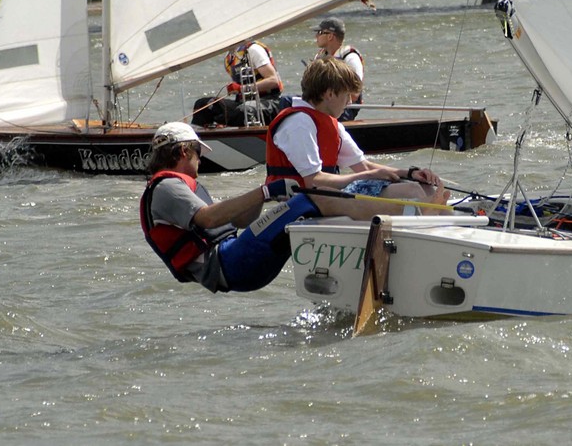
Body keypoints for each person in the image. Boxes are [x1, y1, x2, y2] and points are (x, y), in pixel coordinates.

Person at [140, 121, 446, 293]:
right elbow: (208, 219)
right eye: (197, 152)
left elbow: (243, 220)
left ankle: (370, 253)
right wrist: (264, 190)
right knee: (310, 198)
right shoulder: (167, 187)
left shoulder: (178, 186)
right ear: (183, 150)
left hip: (238, 258)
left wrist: (270, 198)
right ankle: (414, 213)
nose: (200, 159)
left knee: (305, 207)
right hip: (231, 264)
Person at [265, 57, 445, 206]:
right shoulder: (299, 123)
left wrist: (410, 173)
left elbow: (364, 166)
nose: (349, 103)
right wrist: (368, 176)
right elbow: (313, 181)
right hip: (295, 203)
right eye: (346, 96)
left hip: (326, 197)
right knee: (412, 190)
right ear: (329, 94)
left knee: (423, 187)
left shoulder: (332, 124)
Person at [191, 40, 283, 127]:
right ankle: (198, 138)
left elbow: (273, 81)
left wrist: (241, 88)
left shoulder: (254, 50)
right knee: (203, 105)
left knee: (244, 111)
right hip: (243, 103)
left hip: (269, 101)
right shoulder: (229, 58)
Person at [312, 17, 364, 121]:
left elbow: (354, 94)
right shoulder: (320, 57)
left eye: (320, 32)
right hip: (322, 104)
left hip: (344, 108)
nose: (316, 36)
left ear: (330, 36)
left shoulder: (350, 57)